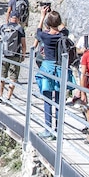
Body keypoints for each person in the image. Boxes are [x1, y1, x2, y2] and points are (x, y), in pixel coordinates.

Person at [33, 8, 68, 139]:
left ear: (48, 23)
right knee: (59, 101)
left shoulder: (45, 36)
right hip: (59, 68)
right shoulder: (63, 35)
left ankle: (48, 129)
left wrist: (42, 16)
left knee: (48, 100)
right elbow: (64, 28)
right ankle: (58, 130)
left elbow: (38, 32)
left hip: (47, 68)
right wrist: (58, 21)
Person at [0, 14, 27, 100]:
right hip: (15, 55)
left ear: (10, 18)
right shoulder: (20, 28)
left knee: (2, 76)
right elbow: (23, 44)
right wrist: (23, 55)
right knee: (13, 77)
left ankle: (0, 95)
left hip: (4, 55)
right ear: (18, 19)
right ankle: (8, 97)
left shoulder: (3, 27)